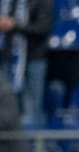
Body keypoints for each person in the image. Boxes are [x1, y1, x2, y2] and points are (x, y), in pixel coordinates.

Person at [0, 0, 53, 128]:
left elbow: (43, 28)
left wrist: (14, 26)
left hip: (33, 59)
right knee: (6, 108)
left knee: (31, 108)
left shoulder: (43, 2)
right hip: (7, 59)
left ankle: (32, 146)